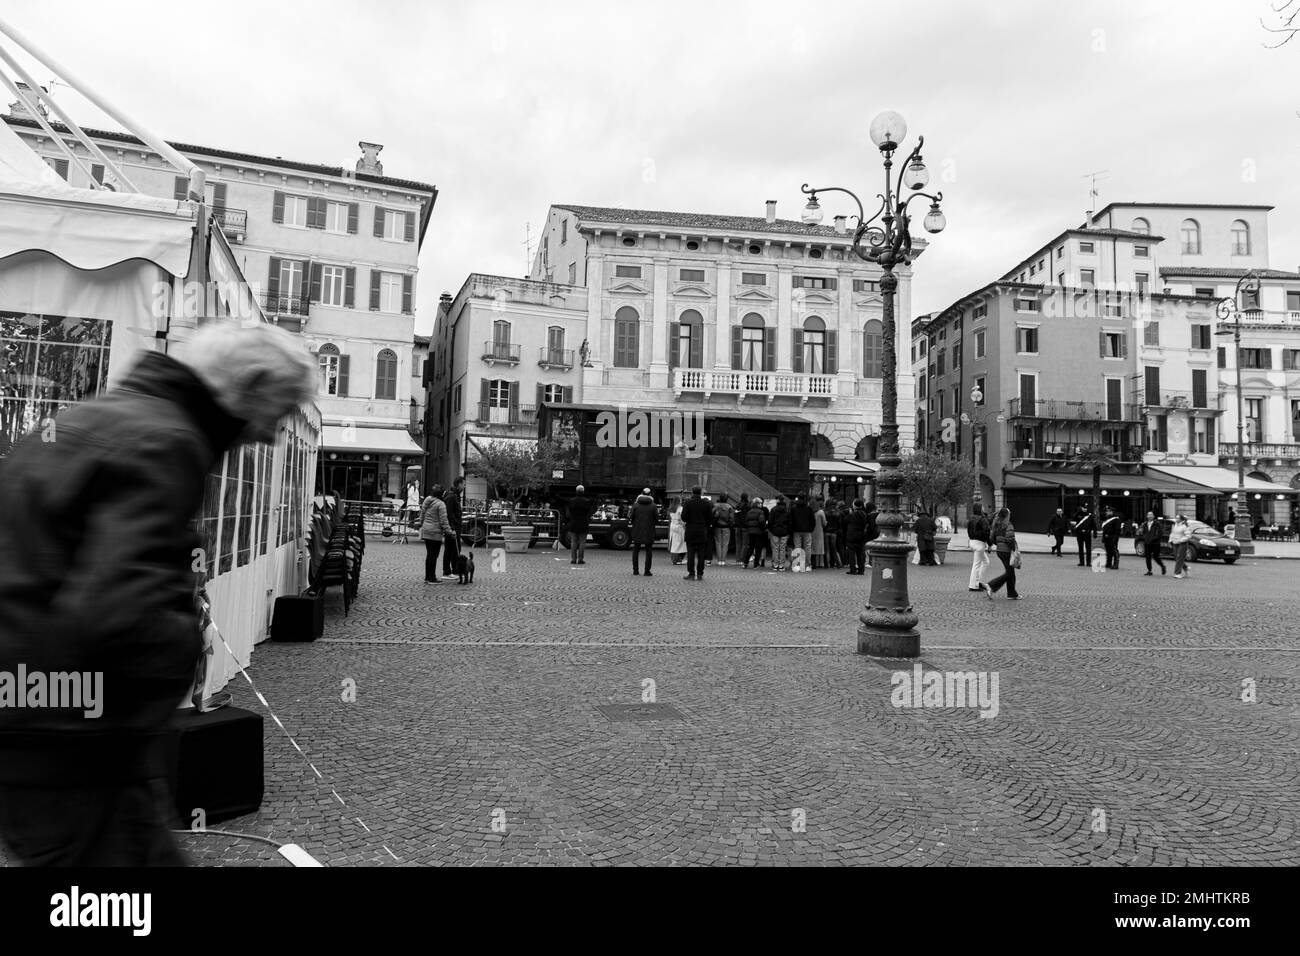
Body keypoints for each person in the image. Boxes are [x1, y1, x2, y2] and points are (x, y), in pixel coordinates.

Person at [0, 321, 315, 866]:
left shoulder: (96, 417)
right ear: (249, 386)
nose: (272, 434)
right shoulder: (168, 440)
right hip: (70, 742)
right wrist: (181, 640)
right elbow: (118, 615)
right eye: (280, 409)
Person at [981, 507, 1021, 600]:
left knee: (1010, 572)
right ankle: (991, 585)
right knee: (1009, 573)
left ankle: (1012, 594)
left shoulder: (996, 524)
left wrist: (999, 543)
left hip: (999, 551)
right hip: (1007, 551)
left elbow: (992, 538)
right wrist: (1013, 549)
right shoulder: (1008, 524)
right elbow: (1010, 539)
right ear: (1007, 515)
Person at [419, 485, 454, 582]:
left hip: (426, 530)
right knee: (434, 555)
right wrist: (449, 531)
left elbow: (422, 515)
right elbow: (444, 521)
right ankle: (431, 578)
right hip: (435, 533)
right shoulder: (441, 504)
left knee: (429, 554)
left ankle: (427, 576)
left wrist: (423, 525)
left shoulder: (427, 500)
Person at [681, 486, 713, 581]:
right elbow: (710, 518)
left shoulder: (688, 503)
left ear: (692, 492)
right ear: (701, 493)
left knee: (690, 553)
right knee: (701, 554)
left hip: (690, 530)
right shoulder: (706, 503)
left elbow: (684, 517)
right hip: (702, 531)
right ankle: (700, 574)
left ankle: (691, 573)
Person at [441, 476, 465, 577]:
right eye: (463, 484)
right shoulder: (451, 496)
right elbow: (449, 514)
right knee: (450, 549)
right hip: (452, 528)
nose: (464, 486)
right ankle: (447, 571)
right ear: (459, 484)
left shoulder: (455, 495)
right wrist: (452, 528)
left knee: (455, 549)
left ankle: (454, 570)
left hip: (455, 527)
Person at [630, 488, 658, 577]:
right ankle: (647, 571)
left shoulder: (635, 505)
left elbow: (631, 517)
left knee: (636, 550)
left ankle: (635, 570)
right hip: (649, 531)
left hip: (637, 530)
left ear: (641, 493)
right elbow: (656, 519)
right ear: (650, 495)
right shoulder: (653, 506)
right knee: (649, 551)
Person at [966, 503, 992, 592]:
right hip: (979, 544)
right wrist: (990, 544)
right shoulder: (982, 519)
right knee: (976, 565)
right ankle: (973, 585)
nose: (984, 508)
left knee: (986, 562)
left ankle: (978, 583)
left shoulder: (971, 519)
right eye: (982, 507)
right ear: (980, 509)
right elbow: (987, 533)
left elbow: (969, 532)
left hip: (972, 542)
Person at [566, 486, 593, 565]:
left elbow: (570, 512)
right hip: (583, 523)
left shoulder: (571, 501)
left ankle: (573, 559)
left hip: (574, 523)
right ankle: (580, 559)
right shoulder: (587, 501)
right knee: (582, 542)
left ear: (576, 491)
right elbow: (589, 512)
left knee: (573, 542)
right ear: (583, 492)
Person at [789, 494, 815, 571]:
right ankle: (807, 565)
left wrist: (792, 529)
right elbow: (813, 520)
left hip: (796, 530)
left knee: (797, 547)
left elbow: (791, 520)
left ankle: (798, 565)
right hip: (807, 530)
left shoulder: (793, 508)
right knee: (807, 548)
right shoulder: (809, 508)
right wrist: (811, 529)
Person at [742, 497, 768, 569]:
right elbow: (762, 522)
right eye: (760, 503)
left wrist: (750, 528)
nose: (761, 505)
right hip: (759, 532)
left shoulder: (749, 512)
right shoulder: (761, 512)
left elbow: (746, 522)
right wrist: (764, 528)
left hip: (751, 532)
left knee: (750, 548)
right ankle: (756, 564)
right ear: (758, 504)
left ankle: (745, 563)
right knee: (758, 548)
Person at [844, 499, 869, 575]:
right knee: (860, 553)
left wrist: (850, 513)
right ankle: (861, 569)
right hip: (861, 535)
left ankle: (853, 569)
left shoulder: (852, 515)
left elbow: (845, 521)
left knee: (851, 553)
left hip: (851, 535)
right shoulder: (864, 514)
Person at [1139, 511, 1167, 576]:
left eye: (1151, 515)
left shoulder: (1157, 524)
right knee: (1147, 557)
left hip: (1155, 543)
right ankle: (1149, 570)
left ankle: (1162, 566)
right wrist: (1145, 538)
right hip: (1147, 543)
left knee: (1156, 557)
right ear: (1147, 516)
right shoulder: (1145, 524)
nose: (1149, 516)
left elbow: (1160, 533)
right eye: (1148, 515)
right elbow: (1142, 532)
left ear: (1153, 516)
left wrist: (1153, 539)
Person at [767, 495, 791, 571]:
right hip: (784, 532)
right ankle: (781, 565)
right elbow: (789, 522)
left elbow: (770, 521)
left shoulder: (773, 509)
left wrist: (771, 530)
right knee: (782, 549)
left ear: (778, 501)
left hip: (775, 531)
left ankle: (775, 564)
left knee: (775, 548)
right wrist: (788, 531)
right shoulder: (787, 510)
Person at [712, 493, 735, 567]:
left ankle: (719, 560)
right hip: (726, 527)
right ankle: (723, 560)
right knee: (725, 544)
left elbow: (712, 515)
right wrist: (730, 525)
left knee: (718, 543)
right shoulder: (729, 507)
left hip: (717, 527)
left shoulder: (715, 505)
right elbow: (732, 519)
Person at [1170, 514, 1193, 579]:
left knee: (1180, 557)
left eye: (1178, 518)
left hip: (1182, 544)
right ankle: (1186, 568)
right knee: (1176, 558)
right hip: (1175, 543)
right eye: (1176, 518)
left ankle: (1177, 573)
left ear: (1181, 519)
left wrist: (1180, 540)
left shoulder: (1185, 526)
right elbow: (1172, 533)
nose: (1176, 519)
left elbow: (1188, 536)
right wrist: (1170, 540)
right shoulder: (1174, 525)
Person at [668, 497, 687, 564]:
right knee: (680, 543)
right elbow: (682, 519)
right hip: (679, 526)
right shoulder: (680, 508)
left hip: (673, 525)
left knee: (674, 543)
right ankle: (678, 560)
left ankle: (674, 559)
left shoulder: (671, 508)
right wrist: (684, 525)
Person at [824, 500, 842, 569]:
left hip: (826, 532)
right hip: (834, 533)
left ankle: (827, 564)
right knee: (834, 549)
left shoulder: (825, 512)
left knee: (827, 549)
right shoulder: (837, 513)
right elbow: (839, 524)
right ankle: (838, 563)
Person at [811, 498, 827, 569]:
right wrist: (826, 523)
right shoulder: (821, 512)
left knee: (812, 548)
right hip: (819, 531)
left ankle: (812, 563)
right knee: (820, 548)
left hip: (811, 531)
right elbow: (824, 523)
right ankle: (820, 563)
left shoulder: (810, 511)